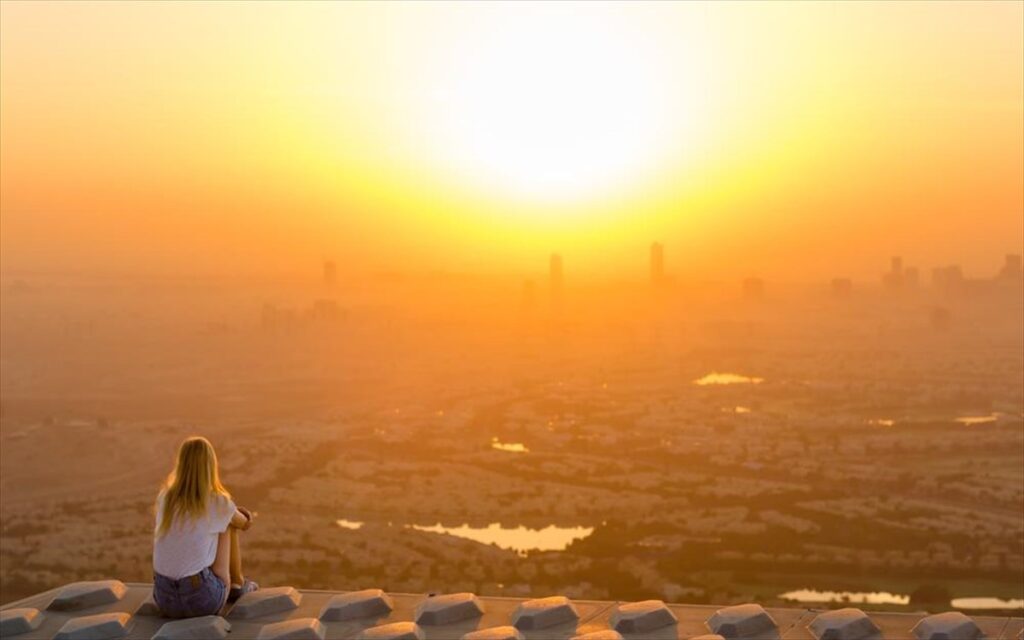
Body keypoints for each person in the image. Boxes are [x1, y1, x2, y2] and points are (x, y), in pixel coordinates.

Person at [152, 436, 258, 617]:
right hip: (202, 600)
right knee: (227, 524)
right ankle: (237, 584)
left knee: (218, 522)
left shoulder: (165, 498)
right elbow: (243, 524)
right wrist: (236, 513)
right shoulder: (218, 502)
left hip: (164, 599)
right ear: (210, 466)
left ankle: (235, 585)